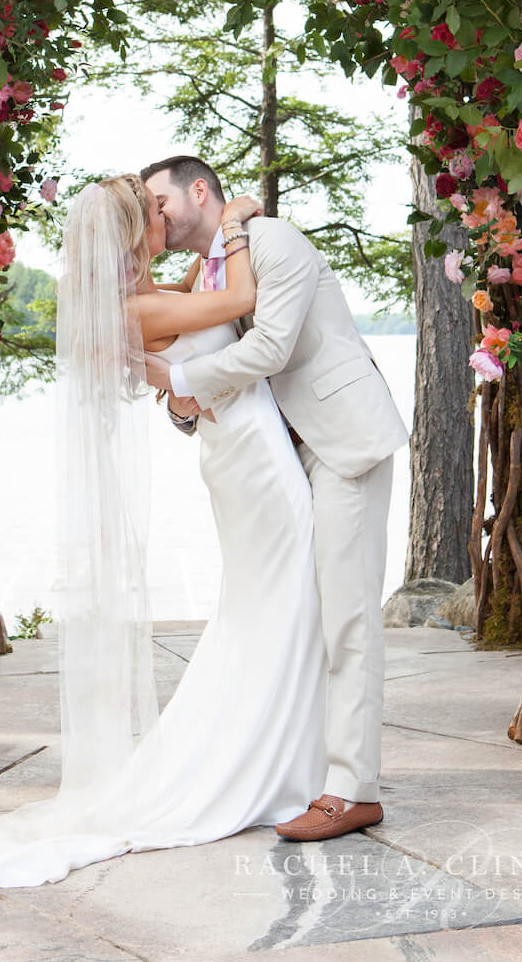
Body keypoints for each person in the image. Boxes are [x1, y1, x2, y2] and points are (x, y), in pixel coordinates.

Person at [0, 173, 328, 889]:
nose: (166, 217)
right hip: (251, 460)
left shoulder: (140, 299)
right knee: (282, 602)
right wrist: (234, 224)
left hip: (245, 453)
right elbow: (240, 302)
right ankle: (275, 763)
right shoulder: (135, 309)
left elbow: (202, 301)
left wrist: (212, 252)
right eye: (155, 212)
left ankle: (282, 755)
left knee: (270, 609)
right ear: (138, 235)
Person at [142, 155, 409, 842]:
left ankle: (354, 790)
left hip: (340, 440)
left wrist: (182, 381)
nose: (156, 215)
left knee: (348, 614)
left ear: (200, 191)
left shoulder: (274, 241)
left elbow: (269, 348)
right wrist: (179, 397)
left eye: (160, 200)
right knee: (298, 613)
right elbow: (204, 382)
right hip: (279, 463)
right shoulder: (208, 273)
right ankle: (304, 771)